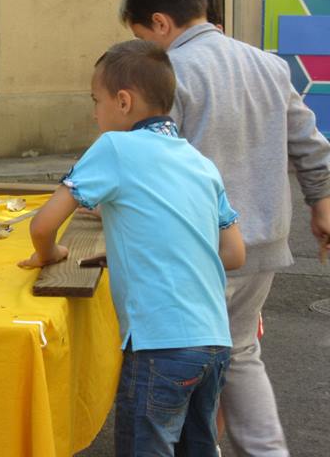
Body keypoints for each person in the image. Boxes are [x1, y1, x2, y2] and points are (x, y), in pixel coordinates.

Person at [121, 0, 330, 456]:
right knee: (239, 352)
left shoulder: (168, 74)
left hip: (198, 248)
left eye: (144, 35)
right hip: (263, 245)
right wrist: (321, 204)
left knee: (174, 361)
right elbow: (310, 143)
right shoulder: (269, 64)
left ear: (161, 23)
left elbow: (152, 157)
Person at [18, 39, 246, 455]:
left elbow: (43, 224)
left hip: (159, 345)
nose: (93, 112)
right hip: (214, 341)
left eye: (96, 100)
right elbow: (234, 253)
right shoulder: (200, 162)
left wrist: (49, 254)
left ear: (123, 101)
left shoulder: (114, 149)